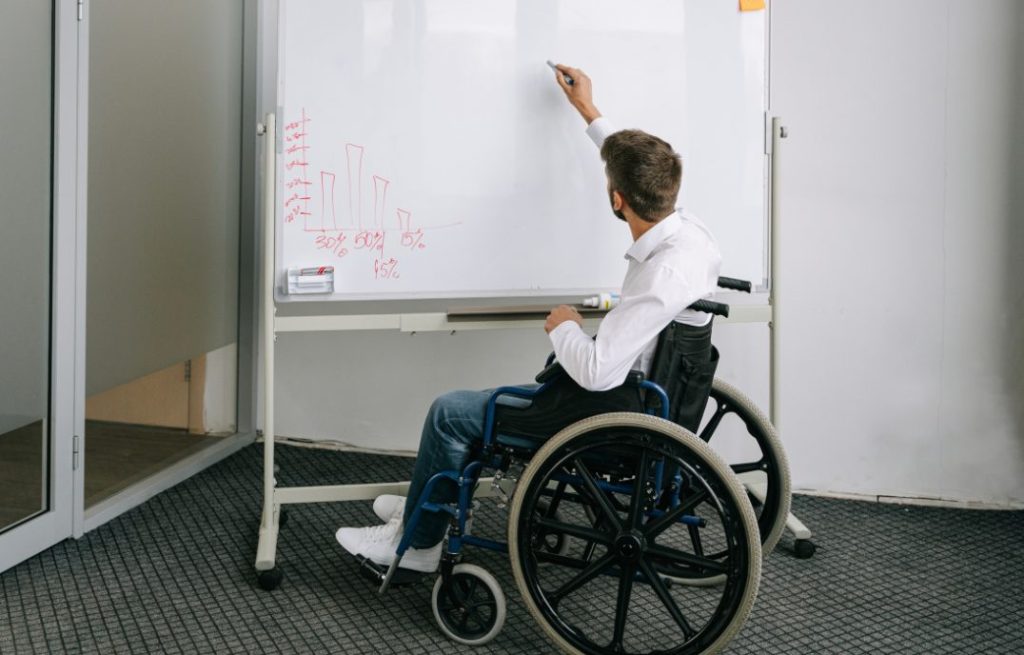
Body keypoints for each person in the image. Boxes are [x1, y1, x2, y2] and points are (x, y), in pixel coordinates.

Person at [335, 64, 722, 573]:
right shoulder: (689, 233)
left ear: (617, 199)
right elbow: (634, 169)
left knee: (451, 412)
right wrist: (587, 110)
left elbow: (597, 371)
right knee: (483, 402)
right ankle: (423, 509)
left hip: (614, 413)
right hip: (647, 398)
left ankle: (419, 545)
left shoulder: (662, 275)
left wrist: (564, 325)